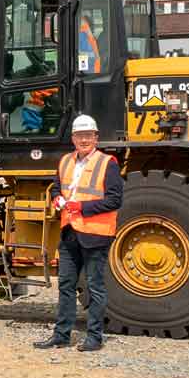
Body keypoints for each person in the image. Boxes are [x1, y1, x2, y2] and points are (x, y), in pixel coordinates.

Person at [34, 114, 122, 352]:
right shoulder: (65, 161)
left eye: (88, 136)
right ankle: (61, 335)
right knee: (65, 284)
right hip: (70, 231)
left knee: (94, 287)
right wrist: (57, 199)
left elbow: (115, 200)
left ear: (96, 138)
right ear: (73, 138)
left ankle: (94, 337)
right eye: (80, 136)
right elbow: (56, 187)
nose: (84, 140)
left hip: (96, 234)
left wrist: (81, 207)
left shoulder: (108, 163)